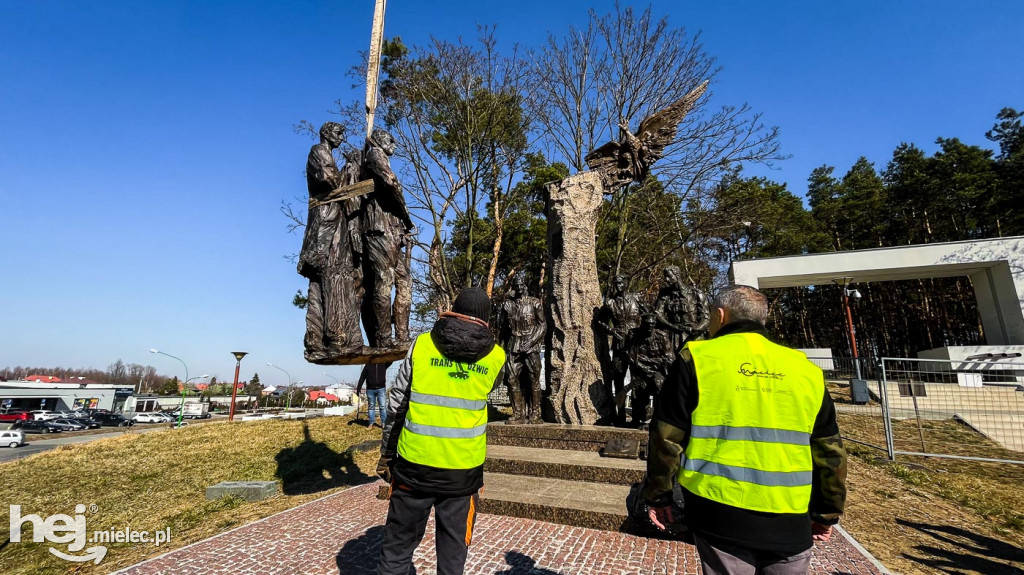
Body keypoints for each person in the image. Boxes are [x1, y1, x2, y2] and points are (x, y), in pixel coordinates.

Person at [644, 285, 847, 575]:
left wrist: (658, 496)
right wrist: (827, 512)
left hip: (719, 514)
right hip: (791, 518)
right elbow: (831, 451)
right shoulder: (805, 370)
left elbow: (666, 438)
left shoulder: (698, 359)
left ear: (720, 315)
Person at [376, 287, 506, 575]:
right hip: (463, 472)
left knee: (396, 549)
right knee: (452, 554)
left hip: (413, 466)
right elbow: (490, 389)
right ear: (486, 318)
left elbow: (397, 402)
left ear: (454, 308)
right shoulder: (497, 357)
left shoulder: (422, 345)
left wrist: (386, 455)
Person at [360, 129, 414, 349]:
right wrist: (405, 215)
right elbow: (390, 183)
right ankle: (384, 337)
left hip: (391, 231)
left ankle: (402, 335)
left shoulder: (381, 158)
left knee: (405, 281)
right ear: (379, 140)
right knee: (384, 282)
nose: (394, 144)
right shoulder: (374, 155)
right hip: (378, 229)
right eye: (391, 140)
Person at [596, 275, 645, 426]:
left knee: (637, 380)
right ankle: (620, 416)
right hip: (618, 345)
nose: (619, 285)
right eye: (616, 283)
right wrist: (611, 330)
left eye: (622, 282)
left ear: (626, 283)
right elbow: (599, 321)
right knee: (618, 380)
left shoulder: (636, 297)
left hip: (635, 345)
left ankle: (637, 417)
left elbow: (649, 315)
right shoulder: (610, 303)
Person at [497, 274, 546, 424]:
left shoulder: (535, 303)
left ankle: (535, 414)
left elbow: (542, 325)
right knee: (511, 379)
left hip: (531, 346)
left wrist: (531, 342)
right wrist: (498, 348)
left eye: (520, 284)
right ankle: (518, 414)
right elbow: (503, 328)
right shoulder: (507, 305)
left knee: (533, 380)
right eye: (515, 285)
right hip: (513, 346)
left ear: (525, 285)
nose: (518, 287)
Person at [624, 314, 675, 428]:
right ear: (642, 323)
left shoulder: (662, 336)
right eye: (646, 324)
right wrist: (643, 367)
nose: (649, 327)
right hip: (640, 370)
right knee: (638, 391)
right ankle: (637, 420)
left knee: (659, 385)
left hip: (657, 370)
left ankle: (658, 420)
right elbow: (631, 356)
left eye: (652, 324)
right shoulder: (634, 334)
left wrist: (654, 364)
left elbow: (670, 357)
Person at [654, 265, 709, 353]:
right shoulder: (664, 294)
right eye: (665, 277)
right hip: (673, 337)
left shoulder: (696, 294)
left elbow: (705, 318)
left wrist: (696, 330)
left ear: (677, 275)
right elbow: (657, 313)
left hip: (694, 337)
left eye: (669, 276)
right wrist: (671, 326)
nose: (667, 280)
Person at [356, 362, 392, 428]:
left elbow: (391, 360)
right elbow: (362, 377)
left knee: (382, 406)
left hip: (381, 388)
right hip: (370, 390)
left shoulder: (383, 364)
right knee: (371, 407)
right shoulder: (368, 365)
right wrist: (358, 388)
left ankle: (384, 423)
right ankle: (371, 423)